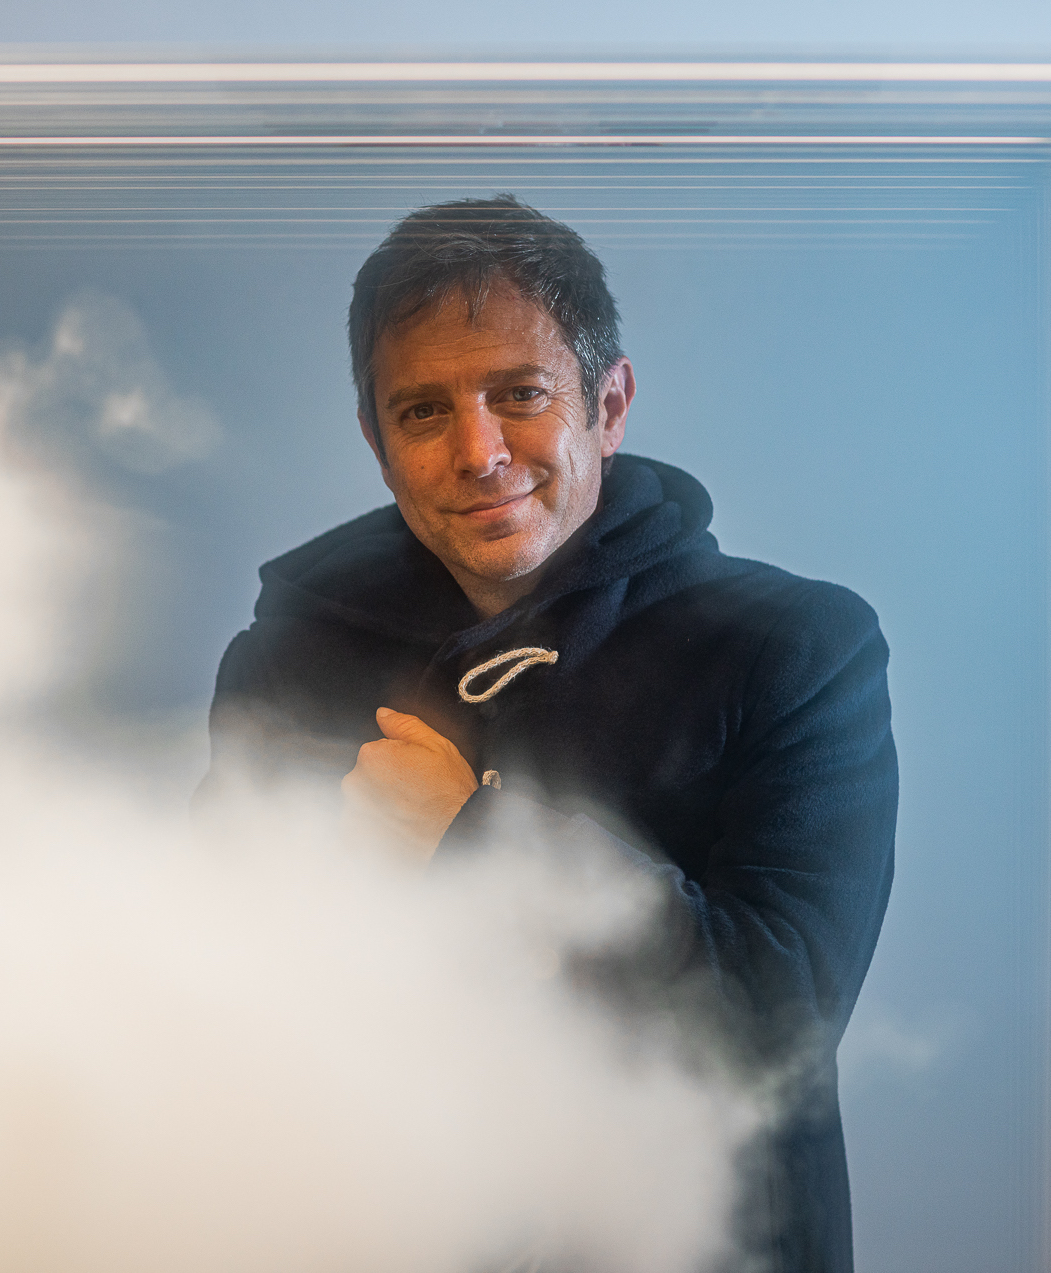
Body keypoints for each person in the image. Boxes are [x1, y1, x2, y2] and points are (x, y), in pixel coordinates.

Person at [198, 195, 897, 1272]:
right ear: (376, 441)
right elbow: (218, 998)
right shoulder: (285, 660)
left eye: (520, 394)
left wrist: (471, 836)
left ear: (607, 404)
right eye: (422, 411)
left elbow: (775, 1029)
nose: (478, 452)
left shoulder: (795, 648)